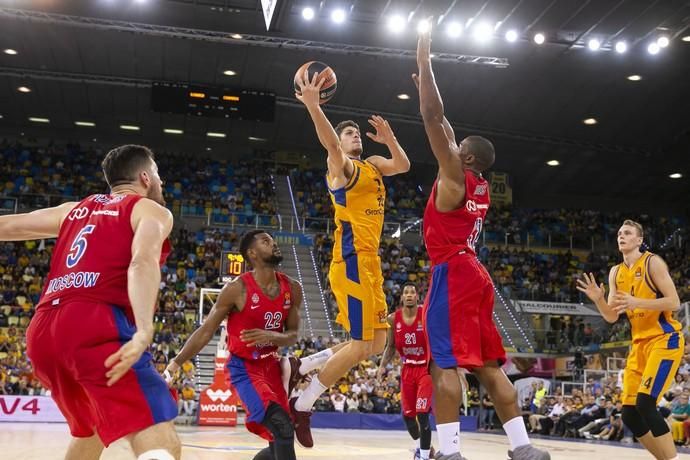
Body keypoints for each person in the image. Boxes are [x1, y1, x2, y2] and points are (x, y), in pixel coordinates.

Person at [414, 25, 550, 460]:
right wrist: (425, 85)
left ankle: (449, 453)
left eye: (457, 149)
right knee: (490, 367)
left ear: (465, 158)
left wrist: (424, 61)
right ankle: (523, 448)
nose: (449, 150)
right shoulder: (478, 185)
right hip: (475, 275)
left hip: (453, 273)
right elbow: (449, 132)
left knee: (444, 365)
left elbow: (434, 120)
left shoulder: (453, 178)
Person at [0, 145, 181, 459]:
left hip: (43, 333)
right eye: (159, 176)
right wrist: (143, 330)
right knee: (159, 436)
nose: (161, 184)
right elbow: (142, 263)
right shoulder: (150, 210)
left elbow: (9, 225)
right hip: (94, 323)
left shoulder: (74, 208)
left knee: (93, 430)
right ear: (145, 177)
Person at [290, 67, 411, 447]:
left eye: (357, 131)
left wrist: (390, 139)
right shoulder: (340, 167)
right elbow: (329, 144)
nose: (355, 134)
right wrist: (313, 106)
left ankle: (302, 365)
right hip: (352, 259)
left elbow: (404, 165)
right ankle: (303, 402)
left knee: (375, 344)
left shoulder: (373, 165)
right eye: (349, 132)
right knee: (360, 345)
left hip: (371, 263)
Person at [164, 230, 302, 460]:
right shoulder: (237, 289)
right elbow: (206, 331)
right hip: (244, 368)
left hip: (272, 368)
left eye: (273, 240)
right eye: (266, 242)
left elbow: (293, 335)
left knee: (279, 438)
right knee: (281, 427)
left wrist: (272, 336)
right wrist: (175, 364)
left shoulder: (292, 288)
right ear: (252, 254)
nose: (274, 244)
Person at [578, 219, 684, 460]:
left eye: (627, 233)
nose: (621, 237)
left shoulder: (652, 263)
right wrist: (598, 299)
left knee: (645, 403)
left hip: (664, 339)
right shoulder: (616, 272)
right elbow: (612, 316)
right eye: (619, 234)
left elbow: (674, 302)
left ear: (639, 240)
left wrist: (638, 303)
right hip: (639, 345)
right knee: (629, 414)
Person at [378, 283, 434, 460]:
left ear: (417, 296)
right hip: (407, 370)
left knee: (422, 412)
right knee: (408, 417)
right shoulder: (394, 319)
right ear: (402, 297)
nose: (409, 295)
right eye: (406, 292)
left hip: (426, 369)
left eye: (412, 292)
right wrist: (382, 366)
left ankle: (423, 457)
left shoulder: (426, 314)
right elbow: (391, 346)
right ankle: (423, 447)